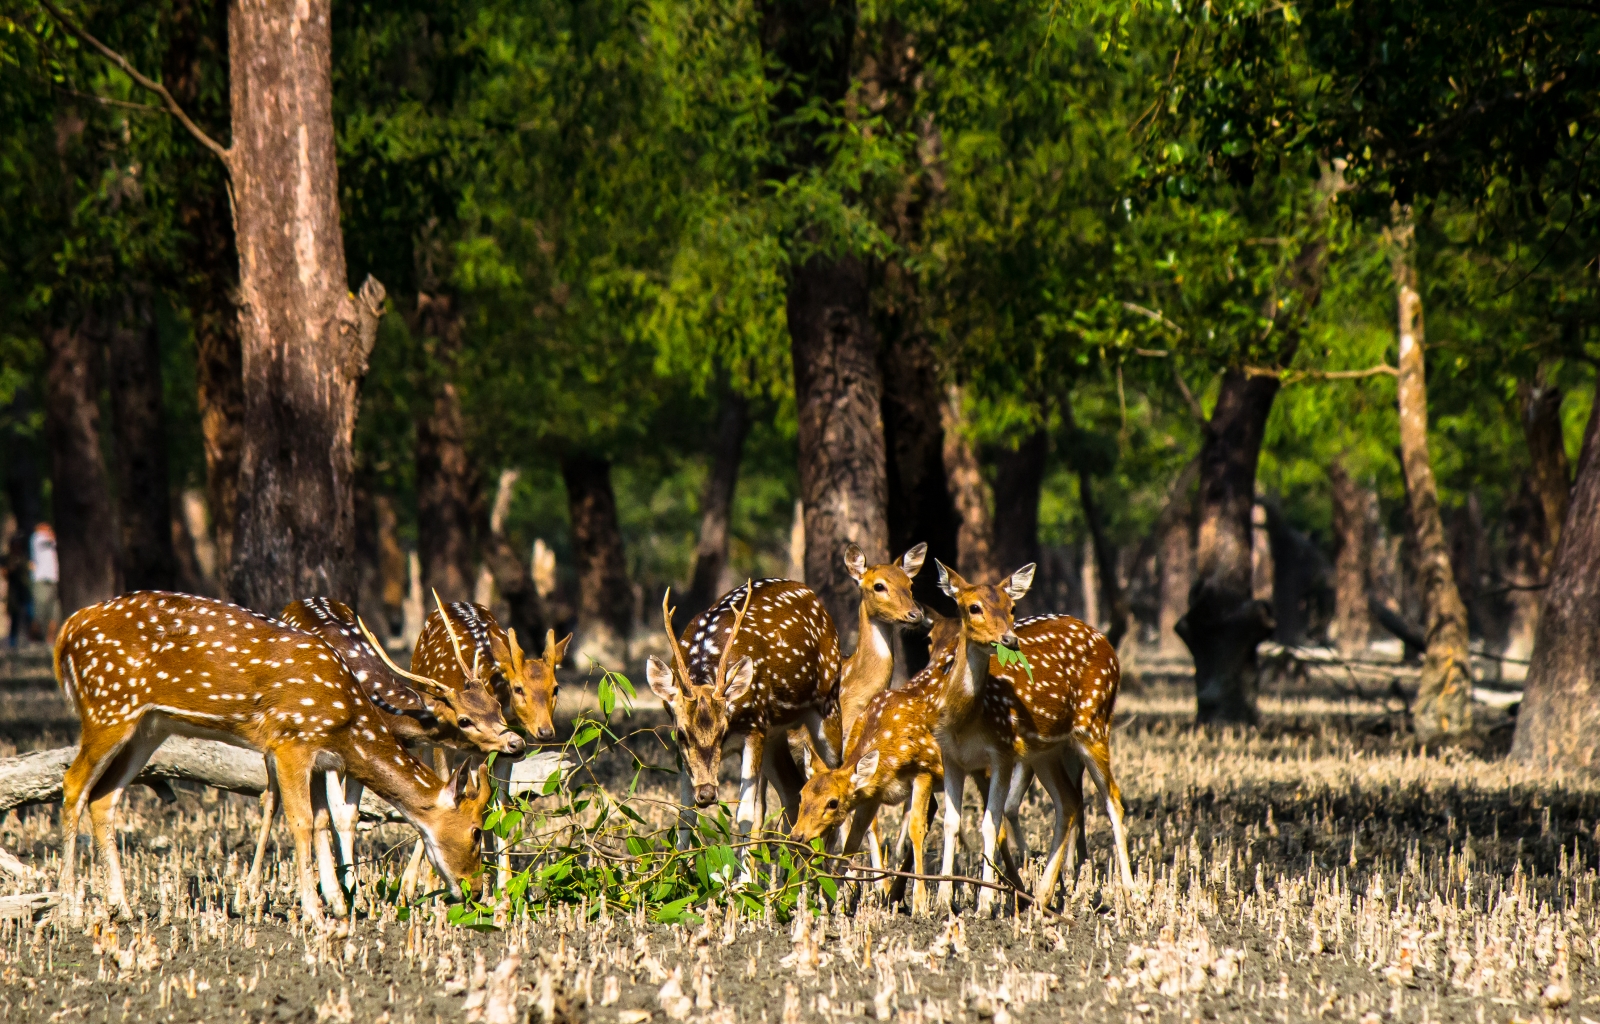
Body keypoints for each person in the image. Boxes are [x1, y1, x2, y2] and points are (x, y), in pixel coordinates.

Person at [30, 521, 60, 645]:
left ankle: (50, 641)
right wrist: (49, 532)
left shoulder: (51, 540)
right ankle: (33, 639)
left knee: (55, 613)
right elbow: (50, 537)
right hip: (41, 580)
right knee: (39, 615)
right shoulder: (36, 538)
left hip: (53, 580)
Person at [4, 533, 29, 647]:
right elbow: (6, 573)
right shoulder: (8, 559)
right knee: (14, 619)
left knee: (27, 616)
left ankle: (26, 641)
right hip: (14, 594)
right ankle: (13, 643)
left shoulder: (23, 557)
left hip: (25, 592)